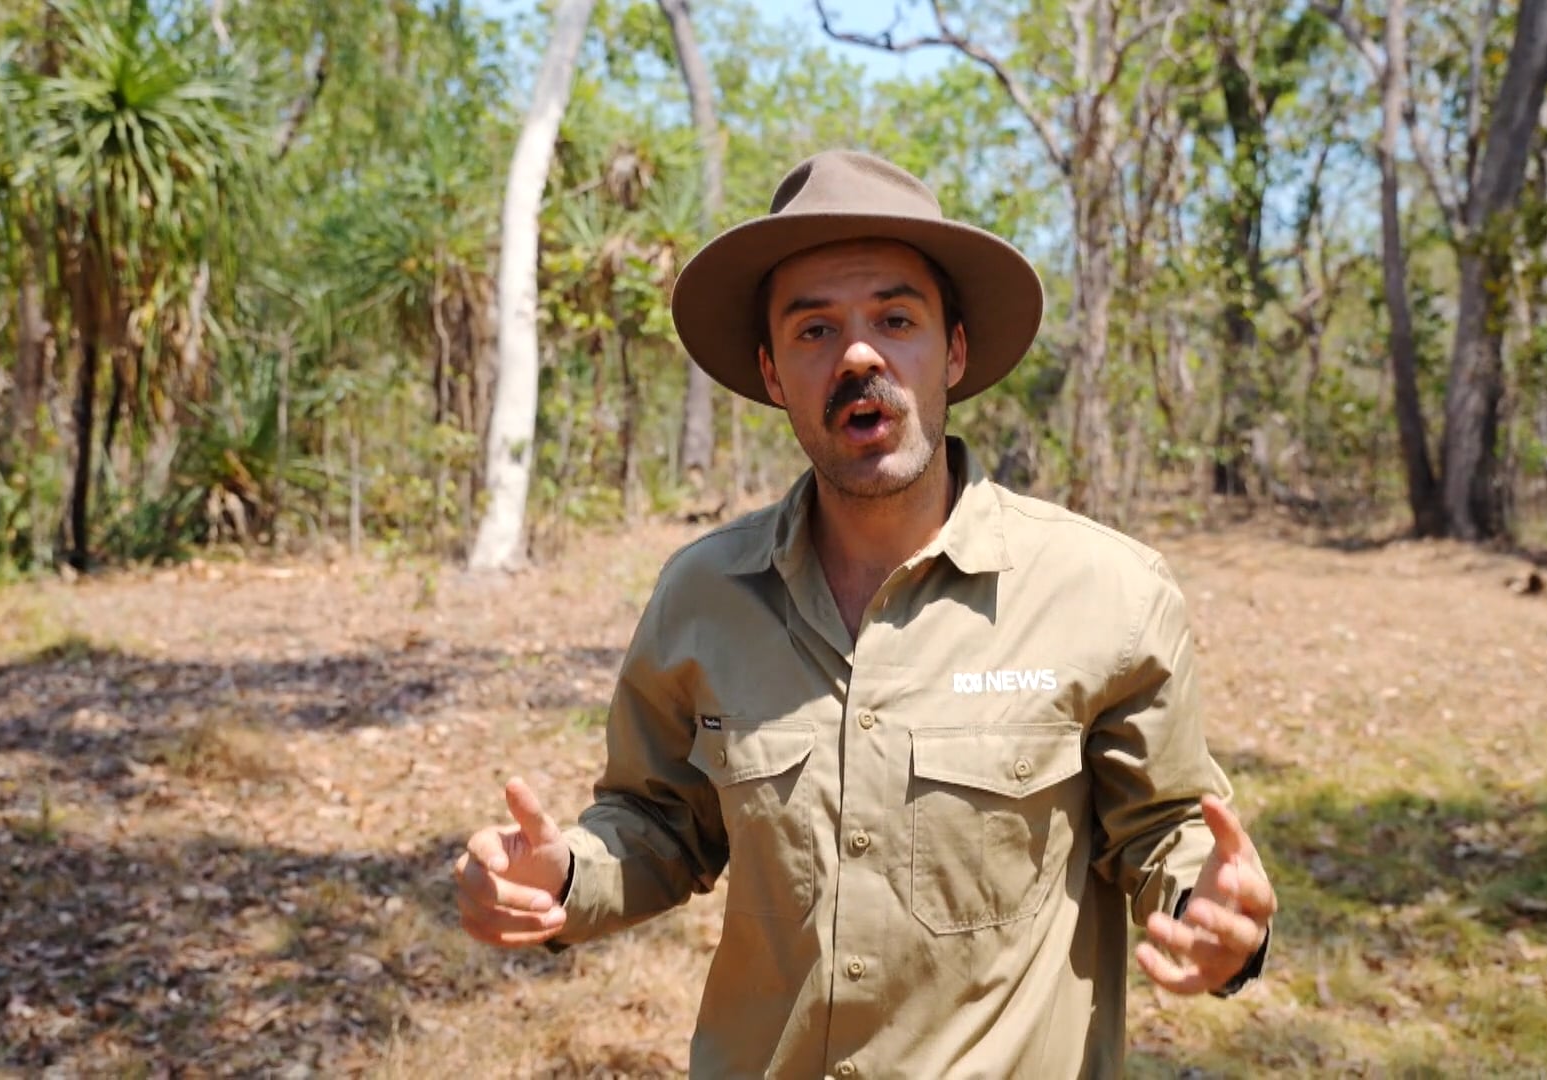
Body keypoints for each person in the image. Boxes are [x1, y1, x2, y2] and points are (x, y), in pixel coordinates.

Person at [454, 150, 1276, 1078]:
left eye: (895, 319)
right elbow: (658, 825)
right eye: (814, 331)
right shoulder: (703, 597)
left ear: (953, 352)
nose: (857, 354)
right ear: (770, 372)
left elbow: (1167, 828)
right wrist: (562, 875)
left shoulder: (1106, 592)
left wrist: (1209, 908)